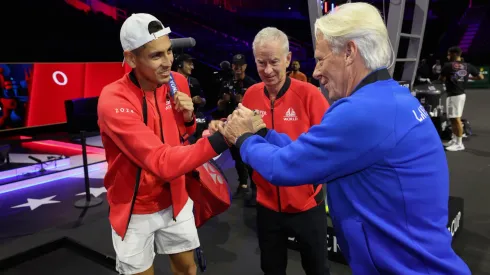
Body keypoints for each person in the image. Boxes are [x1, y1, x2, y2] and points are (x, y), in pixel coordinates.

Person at [219, 3, 471, 275]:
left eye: (321, 59)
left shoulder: (361, 112)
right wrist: (264, 134)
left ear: (349, 52)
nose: (316, 72)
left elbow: (283, 167)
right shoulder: (389, 97)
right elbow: (310, 154)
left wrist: (243, 138)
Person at [97, 13, 230, 275]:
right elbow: (162, 162)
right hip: (135, 208)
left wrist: (190, 119)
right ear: (131, 58)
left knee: (187, 270)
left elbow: (183, 134)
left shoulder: (176, 82)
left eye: (169, 51)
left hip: (176, 198)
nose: (168, 62)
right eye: (156, 55)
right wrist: (222, 138)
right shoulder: (113, 100)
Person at [210, 27, 330, 275]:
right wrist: (220, 125)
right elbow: (236, 128)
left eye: (274, 62)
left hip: (307, 205)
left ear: (287, 59)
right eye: (261, 62)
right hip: (267, 205)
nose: (267, 70)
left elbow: (324, 154)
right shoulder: (252, 94)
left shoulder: (310, 96)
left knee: (317, 270)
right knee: (272, 270)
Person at [217, 54, 257, 198]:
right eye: (235, 65)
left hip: (248, 127)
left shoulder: (252, 84)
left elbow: (258, 108)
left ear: (245, 66)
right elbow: (219, 106)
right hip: (232, 126)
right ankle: (243, 184)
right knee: (237, 157)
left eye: (240, 65)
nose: (238, 68)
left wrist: (244, 101)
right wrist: (223, 100)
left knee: (250, 157)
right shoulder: (226, 83)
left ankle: (255, 188)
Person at [440, 46, 483, 151]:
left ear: (454, 54)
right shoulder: (468, 66)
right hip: (457, 95)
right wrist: (469, 77)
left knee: (456, 119)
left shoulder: (448, 66)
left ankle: (459, 144)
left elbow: (441, 79)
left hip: (455, 95)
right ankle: (454, 140)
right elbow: (481, 77)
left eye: (449, 54)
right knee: (453, 118)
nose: (447, 56)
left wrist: (447, 77)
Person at [174, 53, 207, 141]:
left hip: (194, 116)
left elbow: (204, 101)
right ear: (180, 64)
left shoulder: (194, 81)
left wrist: (200, 100)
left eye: (192, 64)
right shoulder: (170, 80)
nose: (192, 67)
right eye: (189, 64)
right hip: (176, 120)